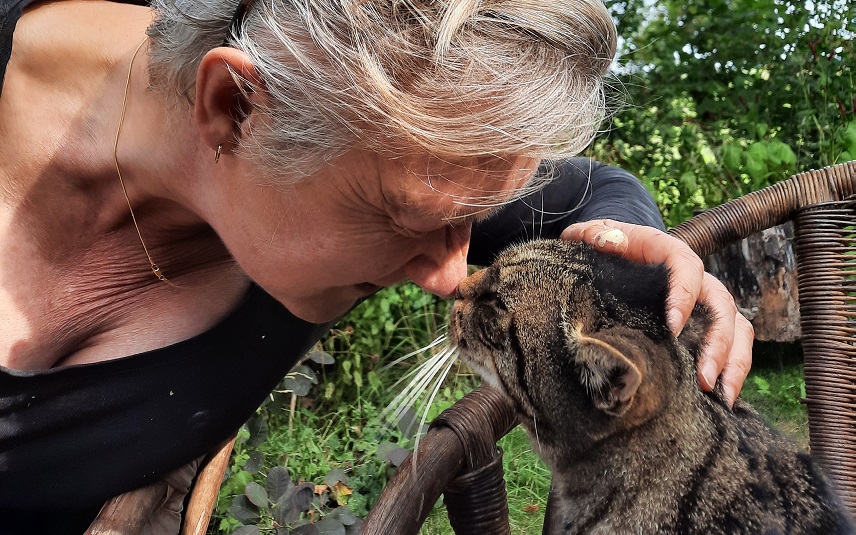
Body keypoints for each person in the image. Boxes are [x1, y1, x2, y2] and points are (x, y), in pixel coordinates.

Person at [0, 0, 754, 532]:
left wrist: (637, 259)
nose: (451, 271)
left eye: (475, 216)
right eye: (411, 219)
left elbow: (598, 190)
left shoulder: (404, 148)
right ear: (232, 106)